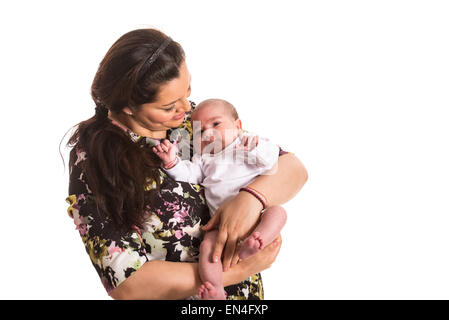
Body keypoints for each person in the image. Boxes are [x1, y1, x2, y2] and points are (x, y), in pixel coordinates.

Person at [65, 28, 308, 300]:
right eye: (169, 106)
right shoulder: (94, 160)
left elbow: (292, 168)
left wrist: (251, 199)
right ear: (129, 107)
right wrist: (239, 271)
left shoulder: (196, 122)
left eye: (188, 89)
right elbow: (129, 285)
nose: (185, 108)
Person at [153, 98, 288, 300]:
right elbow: (188, 176)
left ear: (238, 126)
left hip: (256, 216)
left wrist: (256, 147)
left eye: (216, 124)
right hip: (220, 225)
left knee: (277, 213)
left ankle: (257, 240)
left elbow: (272, 162)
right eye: (200, 131)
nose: (208, 133)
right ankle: (215, 288)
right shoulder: (203, 158)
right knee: (208, 247)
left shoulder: (246, 145)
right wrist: (173, 162)